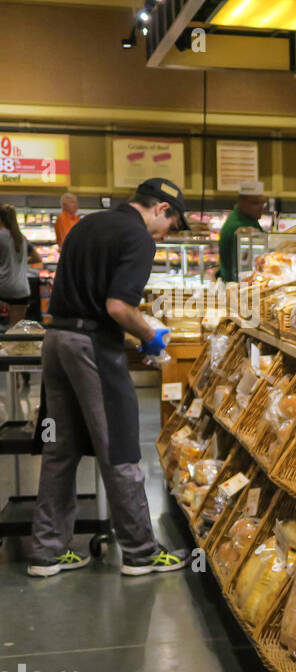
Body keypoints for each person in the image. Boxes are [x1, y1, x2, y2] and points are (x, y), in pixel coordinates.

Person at [28, 177, 189, 577]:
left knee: (59, 448)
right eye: (170, 225)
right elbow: (118, 306)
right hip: (92, 347)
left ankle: (47, 551)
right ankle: (140, 552)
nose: (165, 235)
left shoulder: (86, 224)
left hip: (56, 340)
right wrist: (149, 335)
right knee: (118, 446)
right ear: (161, 209)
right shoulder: (138, 238)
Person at [217, 181, 266, 281]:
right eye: (255, 203)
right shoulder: (237, 227)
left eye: (263, 203)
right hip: (235, 283)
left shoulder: (249, 219)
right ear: (242, 202)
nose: (261, 207)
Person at [0, 203, 37, 324]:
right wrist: (20, 263)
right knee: (16, 329)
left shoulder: (1, 236)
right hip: (21, 290)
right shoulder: (21, 237)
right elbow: (37, 257)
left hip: (3, 288)